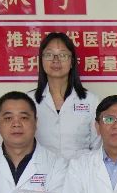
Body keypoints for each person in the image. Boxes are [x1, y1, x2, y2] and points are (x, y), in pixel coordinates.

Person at [33, 31, 99, 160]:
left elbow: (97, 145)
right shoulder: (29, 101)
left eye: (62, 55)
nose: (55, 60)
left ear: (72, 61)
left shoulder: (91, 101)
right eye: (49, 54)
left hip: (80, 171)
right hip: (42, 171)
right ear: (41, 61)